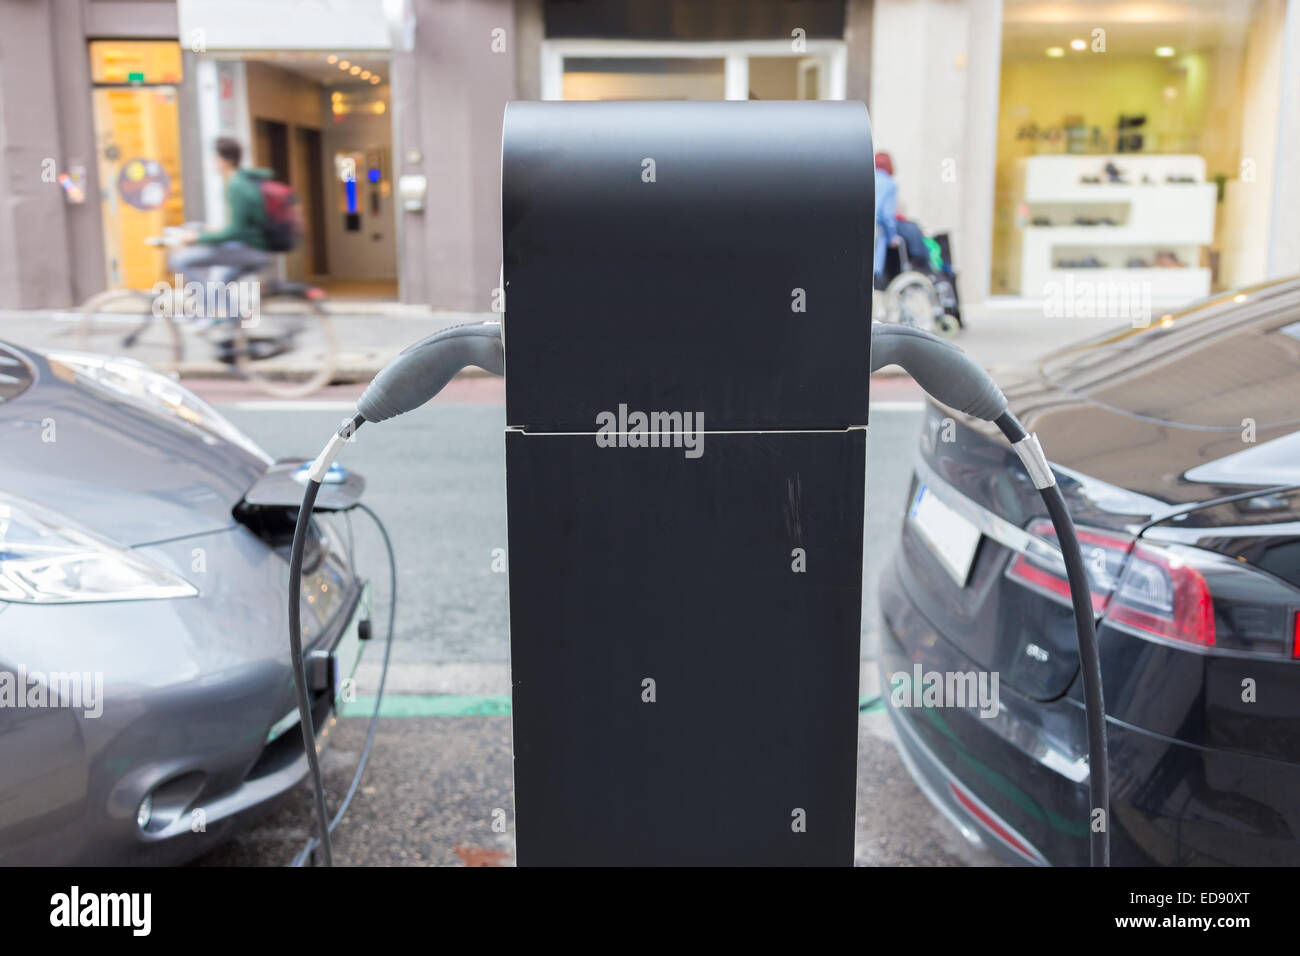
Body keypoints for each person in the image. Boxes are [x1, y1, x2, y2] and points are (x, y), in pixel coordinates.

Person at [172, 138, 273, 285]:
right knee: (220, 283)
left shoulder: (236, 185)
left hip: (251, 249)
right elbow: (242, 226)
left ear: (227, 161)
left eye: (215, 158)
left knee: (179, 259)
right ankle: (222, 307)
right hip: (256, 246)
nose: (211, 163)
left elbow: (235, 232)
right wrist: (213, 231)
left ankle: (208, 303)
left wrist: (198, 238)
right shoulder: (244, 180)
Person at [873, 151, 898, 284]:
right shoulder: (890, 184)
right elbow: (887, 215)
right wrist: (891, 237)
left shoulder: (868, 178)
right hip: (877, 230)